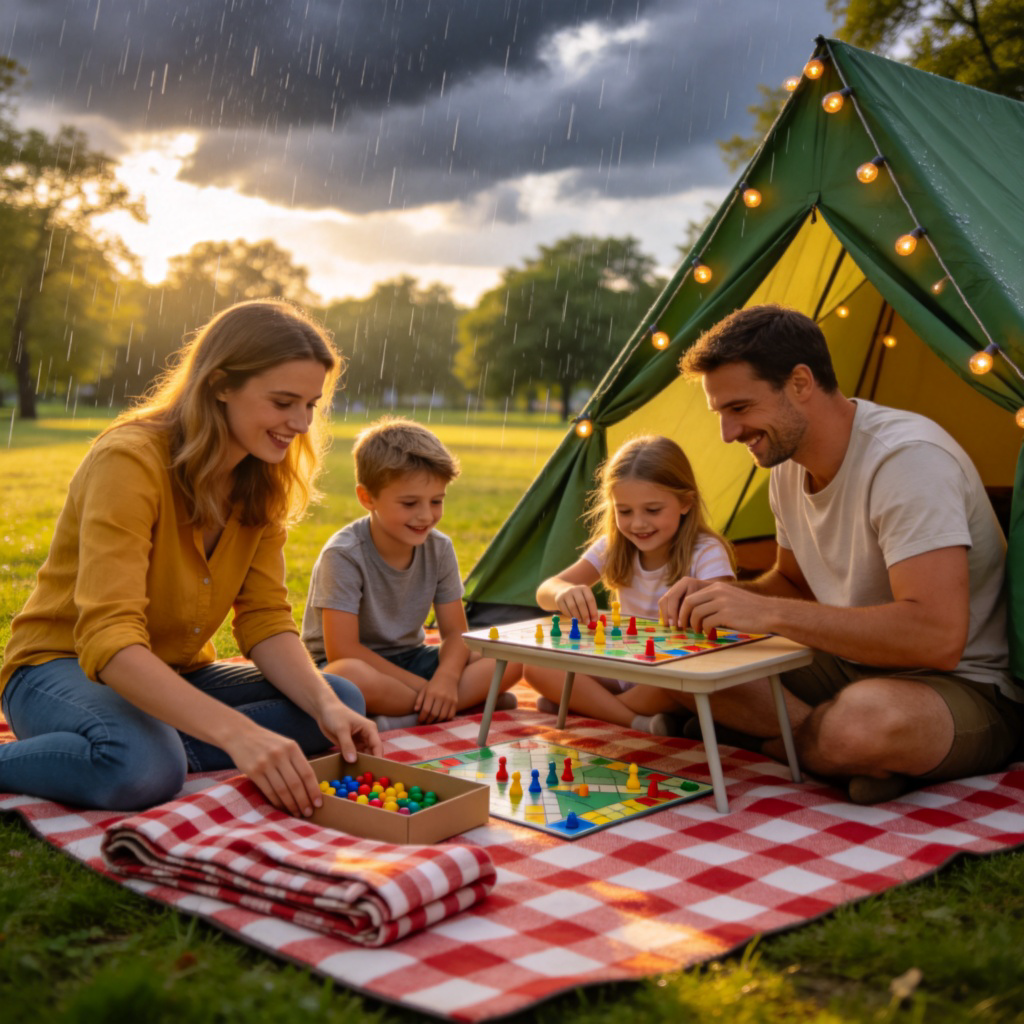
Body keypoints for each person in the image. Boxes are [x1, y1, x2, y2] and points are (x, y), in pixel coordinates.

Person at [0, 300, 381, 817]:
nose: (299, 422)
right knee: (142, 769)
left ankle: (153, 742)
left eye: (311, 404)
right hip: (59, 667)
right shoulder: (129, 460)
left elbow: (266, 620)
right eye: (283, 401)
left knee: (341, 701)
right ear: (221, 384)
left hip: (171, 673)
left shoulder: (263, 478)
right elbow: (109, 639)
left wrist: (325, 706)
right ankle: (143, 751)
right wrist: (240, 734)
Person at [664, 303, 1024, 803]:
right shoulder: (787, 465)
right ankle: (833, 753)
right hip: (848, 662)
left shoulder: (907, 460)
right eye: (721, 413)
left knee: (861, 725)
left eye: (739, 408)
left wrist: (765, 612)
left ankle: (801, 744)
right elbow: (792, 583)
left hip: (961, 684)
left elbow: (936, 638)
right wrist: (720, 597)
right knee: (685, 662)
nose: (728, 433)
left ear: (800, 383)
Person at [301, 416, 522, 730]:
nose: (425, 516)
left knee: (511, 658)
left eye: (436, 501)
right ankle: (457, 706)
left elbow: (457, 635)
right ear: (367, 498)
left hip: (413, 658)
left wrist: (445, 679)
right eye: (409, 503)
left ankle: (415, 713)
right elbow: (343, 650)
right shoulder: (343, 554)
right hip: (349, 666)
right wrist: (425, 689)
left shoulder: (440, 548)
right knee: (346, 678)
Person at [525, 435, 736, 735]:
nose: (638, 524)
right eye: (624, 511)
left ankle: (583, 704)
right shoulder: (613, 545)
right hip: (621, 665)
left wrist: (699, 597)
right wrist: (563, 592)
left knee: (681, 687)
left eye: (652, 510)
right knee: (536, 667)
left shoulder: (706, 551)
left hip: (671, 674)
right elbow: (545, 592)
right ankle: (633, 720)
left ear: (686, 503)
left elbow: (724, 617)